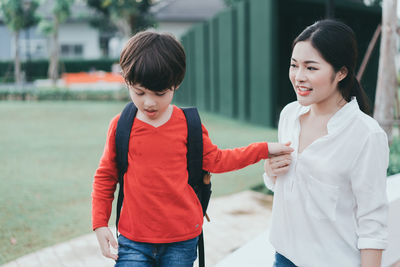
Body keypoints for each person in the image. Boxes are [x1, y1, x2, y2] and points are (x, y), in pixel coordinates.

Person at [92, 31, 293, 267]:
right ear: (126, 81)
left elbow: (218, 160)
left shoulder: (189, 125)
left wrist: (264, 149)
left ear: (175, 84)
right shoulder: (121, 126)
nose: (149, 102)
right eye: (139, 92)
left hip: (182, 241)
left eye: (160, 93)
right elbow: (105, 177)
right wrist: (100, 223)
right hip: (133, 240)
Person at [263, 20, 389, 267]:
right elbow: (288, 188)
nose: (299, 77)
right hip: (284, 257)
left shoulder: (366, 135)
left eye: (311, 68)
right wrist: (270, 172)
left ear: (341, 73)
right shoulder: (289, 115)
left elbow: (372, 220)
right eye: (294, 65)